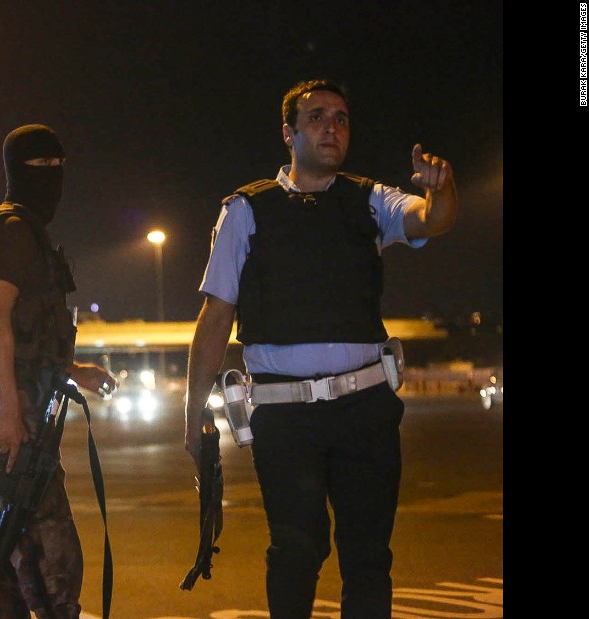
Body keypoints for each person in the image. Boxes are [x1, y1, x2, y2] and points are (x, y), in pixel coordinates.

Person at [183, 79, 458, 619]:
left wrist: (442, 188)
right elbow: (216, 316)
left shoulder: (370, 199)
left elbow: (433, 218)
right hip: (285, 419)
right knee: (295, 552)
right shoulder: (245, 210)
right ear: (288, 133)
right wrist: (192, 418)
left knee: (369, 561)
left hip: (366, 412)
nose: (332, 127)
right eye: (316, 117)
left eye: (340, 118)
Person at [0, 123, 118, 618]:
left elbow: (21, 333)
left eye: (58, 166)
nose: (52, 177)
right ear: (14, 171)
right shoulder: (11, 231)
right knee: (49, 552)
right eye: (40, 167)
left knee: (8, 548)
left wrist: (72, 369)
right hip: (5, 406)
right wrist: (9, 407)